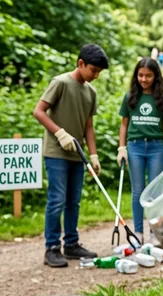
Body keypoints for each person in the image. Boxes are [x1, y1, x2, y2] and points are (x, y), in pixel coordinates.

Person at [32, 44, 109, 268]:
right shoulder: (61, 83)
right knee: (57, 199)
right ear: (80, 63)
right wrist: (59, 132)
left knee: (73, 202)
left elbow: (88, 126)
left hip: (78, 154)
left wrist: (93, 155)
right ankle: (52, 248)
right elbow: (38, 111)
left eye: (99, 72)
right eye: (93, 70)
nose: (95, 76)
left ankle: (72, 244)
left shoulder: (90, 92)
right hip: (57, 151)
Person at [117, 58, 163, 244]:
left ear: (155, 76)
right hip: (135, 147)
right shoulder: (130, 97)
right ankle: (138, 233)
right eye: (140, 75)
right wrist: (122, 147)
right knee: (138, 191)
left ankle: (154, 232)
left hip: (156, 147)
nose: (144, 79)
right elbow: (124, 124)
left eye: (148, 75)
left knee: (154, 192)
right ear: (136, 76)